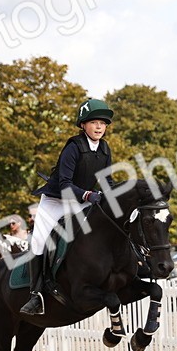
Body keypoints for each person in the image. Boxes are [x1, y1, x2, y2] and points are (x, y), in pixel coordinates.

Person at [20, 98, 114, 315]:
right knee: (40, 241)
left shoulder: (105, 149)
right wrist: (89, 194)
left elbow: (107, 182)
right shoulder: (73, 147)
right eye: (94, 122)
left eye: (103, 123)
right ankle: (36, 295)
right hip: (56, 201)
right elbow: (65, 185)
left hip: (80, 202)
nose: (99, 127)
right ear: (83, 124)